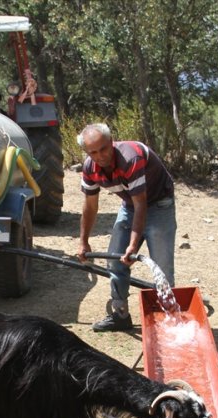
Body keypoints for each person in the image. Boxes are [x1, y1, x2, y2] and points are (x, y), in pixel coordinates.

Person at [76, 123, 176, 332]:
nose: (100, 156)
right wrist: (84, 241)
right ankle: (120, 315)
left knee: (161, 267)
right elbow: (90, 206)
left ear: (111, 142)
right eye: (93, 152)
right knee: (115, 262)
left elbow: (142, 203)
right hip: (130, 205)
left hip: (159, 203)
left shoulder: (130, 158)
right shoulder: (89, 167)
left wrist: (133, 245)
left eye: (103, 148)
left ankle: (169, 321)